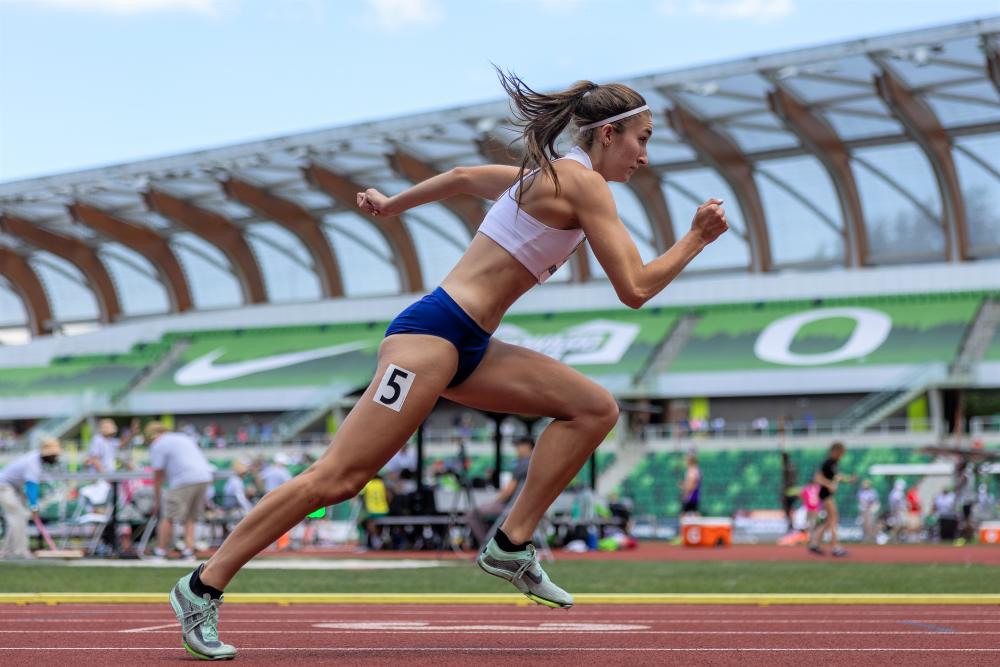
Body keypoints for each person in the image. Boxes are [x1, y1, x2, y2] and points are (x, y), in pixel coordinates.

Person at [166, 70, 728, 659]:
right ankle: (201, 586)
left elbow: (461, 178)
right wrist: (695, 239)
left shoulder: (539, 177)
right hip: (430, 336)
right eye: (642, 138)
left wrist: (391, 204)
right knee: (338, 478)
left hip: (469, 345)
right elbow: (634, 288)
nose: (645, 154)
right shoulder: (585, 185)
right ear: (608, 134)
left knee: (593, 409)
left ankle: (511, 544)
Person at [148, 422, 215, 560]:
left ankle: (160, 551)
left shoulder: (159, 444)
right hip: (204, 476)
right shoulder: (181, 437)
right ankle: (188, 551)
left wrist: (156, 498)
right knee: (191, 516)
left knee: (168, 516)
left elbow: (158, 474)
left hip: (184, 479)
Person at [465, 436, 534, 547]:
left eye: (518, 446)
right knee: (488, 514)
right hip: (530, 509)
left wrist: (494, 501)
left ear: (527, 446)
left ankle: (487, 547)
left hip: (513, 508)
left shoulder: (523, 464)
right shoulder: (537, 462)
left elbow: (507, 492)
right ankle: (494, 545)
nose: (516, 449)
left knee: (472, 513)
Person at [0, 437, 61, 560]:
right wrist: (34, 506)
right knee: (18, 517)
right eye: (54, 455)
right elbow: (31, 486)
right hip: (4, 486)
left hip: (15, 487)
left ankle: (7, 552)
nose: (56, 458)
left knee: (18, 518)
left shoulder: (39, 462)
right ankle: (19, 552)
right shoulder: (33, 463)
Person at [808, 441, 855, 556]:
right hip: (825, 494)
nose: (841, 456)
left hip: (827, 494)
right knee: (834, 518)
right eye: (840, 453)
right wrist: (829, 484)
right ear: (835, 451)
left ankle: (814, 543)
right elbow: (817, 477)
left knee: (829, 520)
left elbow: (837, 477)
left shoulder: (834, 464)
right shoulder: (828, 463)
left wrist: (848, 480)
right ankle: (835, 547)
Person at [780, 452, 798, 533]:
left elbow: (788, 480)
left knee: (787, 508)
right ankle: (791, 525)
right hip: (792, 490)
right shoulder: (792, 466)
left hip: (788, 490)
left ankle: (791, 525)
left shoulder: (786, 467)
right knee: (790, 508)